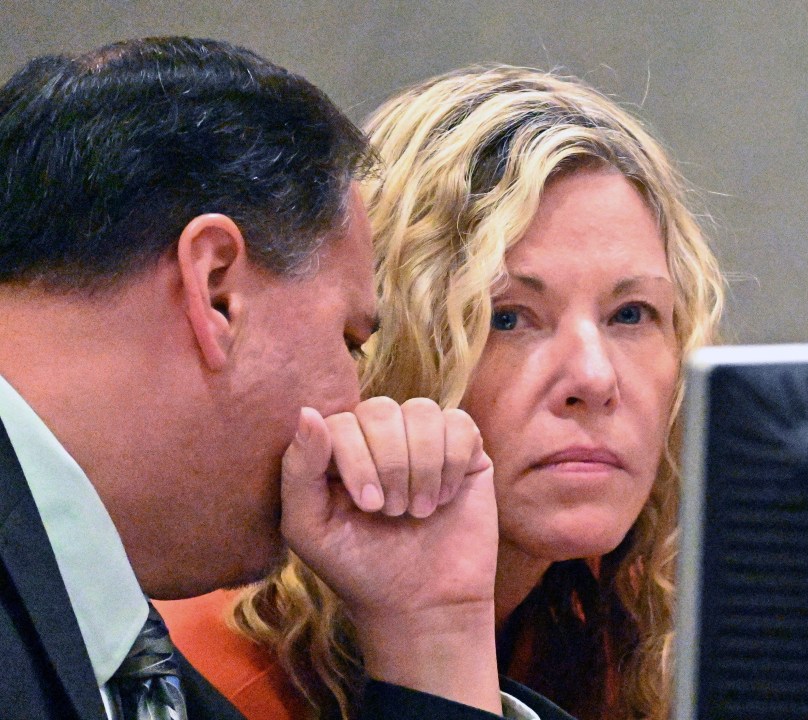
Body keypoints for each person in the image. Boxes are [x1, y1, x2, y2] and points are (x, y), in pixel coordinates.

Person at [0, 40, 569, 720]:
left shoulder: (111, 643)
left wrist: (431, 632)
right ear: (217, 293)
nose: (355, 407)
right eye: (351, 343)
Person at [159, 65, 726, 720]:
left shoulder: (624, 625)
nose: (595, 380)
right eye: (506, 318)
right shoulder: (212, 675)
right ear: (384, 342)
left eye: (631, 314)